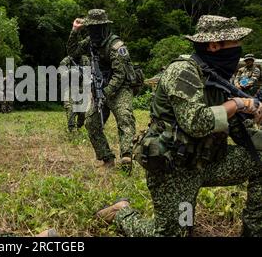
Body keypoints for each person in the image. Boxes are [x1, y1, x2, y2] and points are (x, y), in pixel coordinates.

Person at [98, 15, 262, 237]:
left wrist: (252, 119)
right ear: (215, 46)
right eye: (235, 43)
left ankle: (253, 231)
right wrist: (238, 104)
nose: (239, 51)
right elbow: (196, 122)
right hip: (175, 168)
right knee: (176, 233)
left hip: (208, 161)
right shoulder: (183, 71)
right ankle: (121, 213)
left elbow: (238, 129)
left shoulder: (216, 78)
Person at [67, 9, 137, 169]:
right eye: (91, 27)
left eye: (97, 28)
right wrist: (74, 31)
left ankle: (127, 157)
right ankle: (107, 159)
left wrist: (105, 93)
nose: (94, 31)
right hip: (101, 88)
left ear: (105, 27)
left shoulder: (116, 46)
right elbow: (73, 53)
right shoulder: (91, 41)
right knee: (91, 123)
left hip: (120, 89)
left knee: (125, 119)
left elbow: (120, 75)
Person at [59, 55, 89, 132]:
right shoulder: (67, 59)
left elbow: (90, 73)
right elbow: (60, 71)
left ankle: (79, 126)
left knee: (83, 112)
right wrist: (70, 72)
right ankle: (72, 128)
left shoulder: (85, 59)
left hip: (82, 88)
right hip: (69, 88)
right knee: (70, 108)